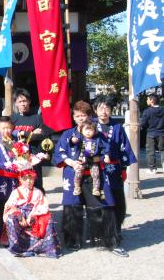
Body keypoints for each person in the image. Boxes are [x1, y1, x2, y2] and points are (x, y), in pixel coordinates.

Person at [54, 100, 127, 257]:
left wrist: (96, 159)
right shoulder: (68, 134)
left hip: (95, 176)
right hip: (73, 175)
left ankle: (110, 241)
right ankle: (73, 239)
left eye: (84, 115)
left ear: (89, 117)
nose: (80, 118)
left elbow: (107, 153)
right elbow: (59, 154)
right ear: (73, 117)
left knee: (103, 206)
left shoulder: (98, 134)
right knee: (72, 207)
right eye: (77, 115)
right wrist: (72, 163)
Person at [94, 96, 136, 236]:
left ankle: (116, 229)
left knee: (116, 199)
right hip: (96, 170)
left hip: (114, 168)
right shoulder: (91, 126)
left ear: (111, 110)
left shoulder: (117, 127)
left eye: (107, 108)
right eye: (100, 108)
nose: (104, 111)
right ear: (95, 110)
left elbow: (124, 148)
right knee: (99, 200)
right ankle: (99, 231)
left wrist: (124, 168)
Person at [3, 165, 62, 258]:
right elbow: (9, 205)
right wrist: (19, 215)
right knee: (10, 219)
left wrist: (33, 215)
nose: (28, 181)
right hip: (20, 216)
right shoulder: (15, 192)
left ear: (34, 179)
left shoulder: (38, 192)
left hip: (34, 215)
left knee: (49, 219)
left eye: (31, 178)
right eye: (25, 179)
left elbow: (43, 205)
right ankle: (17, 247)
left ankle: (47, 248)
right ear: (20, 180)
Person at [10, 88, 52, 190]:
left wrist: (23, 133)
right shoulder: (12, 119)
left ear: (29, 101)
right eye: (20, 102)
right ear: (15, 103)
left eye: (24, 101)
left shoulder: (37, 118)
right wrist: (32, 133)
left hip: (34, 157)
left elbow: (43, 135)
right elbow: (9, 135)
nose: (23, 104)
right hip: (18, 159)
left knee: (36, 184)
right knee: (19, 186)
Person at [72, 121, 111, 197]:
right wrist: (73, 140)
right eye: (86, 130)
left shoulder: (98, 139)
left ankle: (96, 188)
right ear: (81, 130)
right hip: (82, 159)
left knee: (96, 174)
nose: (88, 132)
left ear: (95, 131)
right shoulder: (80, 138)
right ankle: (77, 187)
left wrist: (106, 155)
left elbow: (105, 147)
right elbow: (73, 146)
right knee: (78, 173)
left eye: (91, 130)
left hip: (93, 159)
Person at [140, 93, 164, 173]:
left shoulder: (147, 111)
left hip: (151, 133)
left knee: (151, 151)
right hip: (162, 133)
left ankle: (152, 168)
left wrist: (142, 127)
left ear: (152, 101)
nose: (147, 101)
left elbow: (143, 123)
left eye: (148, 99)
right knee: (163, 150)